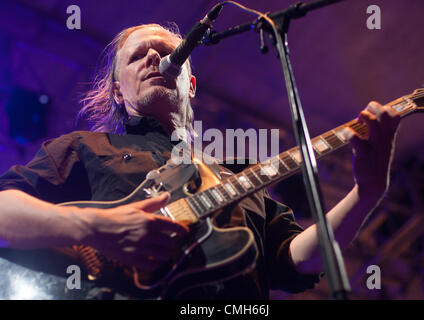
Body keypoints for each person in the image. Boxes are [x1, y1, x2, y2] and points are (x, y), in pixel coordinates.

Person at [0, 23, 399, 299]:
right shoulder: (83, 148)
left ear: (190, 84)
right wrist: (94, 226)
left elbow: (300, 259)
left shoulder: (237, 181)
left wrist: (368, 192)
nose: (155, 57)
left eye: (168, 52)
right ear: (118, 92)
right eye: (138, 55)